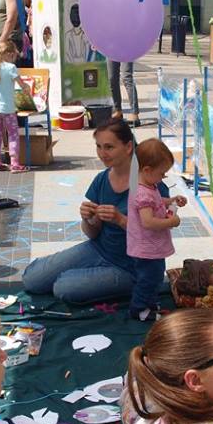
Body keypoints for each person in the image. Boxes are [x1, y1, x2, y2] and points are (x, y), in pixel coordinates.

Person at [22, 118, 167, 304]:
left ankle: (140, 285)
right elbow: (92, 233)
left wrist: (121, 220)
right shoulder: (103, 178)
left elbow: (156, 238)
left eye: (109, 147)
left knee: (63, 288)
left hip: (132, 266)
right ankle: (89, 278)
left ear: (128, 146)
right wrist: (89, 219)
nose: (102, 153)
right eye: (98, 146)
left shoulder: (151, 184)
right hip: (99, 248)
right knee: (32, 279)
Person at [126, 139, 186, 321]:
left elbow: (157, 203)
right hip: (147, 248)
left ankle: (150, 303)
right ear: (147, 170)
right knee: (148, 278)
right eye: (162, 174)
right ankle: (139, 309)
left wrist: (172, 200)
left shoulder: (148, 185)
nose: (163, 178)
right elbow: (148, 222)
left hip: (150, 247)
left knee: (155, 276)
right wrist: (172, 222)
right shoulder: (142, 193)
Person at [0, 38, 29, 172]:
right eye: (14, 55)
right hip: (8, 109)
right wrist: (27, 88)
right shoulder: (11, 68)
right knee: (13, 134)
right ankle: (14, 163)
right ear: (10, 54)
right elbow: (23, 86)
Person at [108, 59, 140, 126]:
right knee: (112, 79)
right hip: (111, 49)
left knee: (127, 77)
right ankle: (117, 110)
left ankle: (135, 113)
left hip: (127, 49)